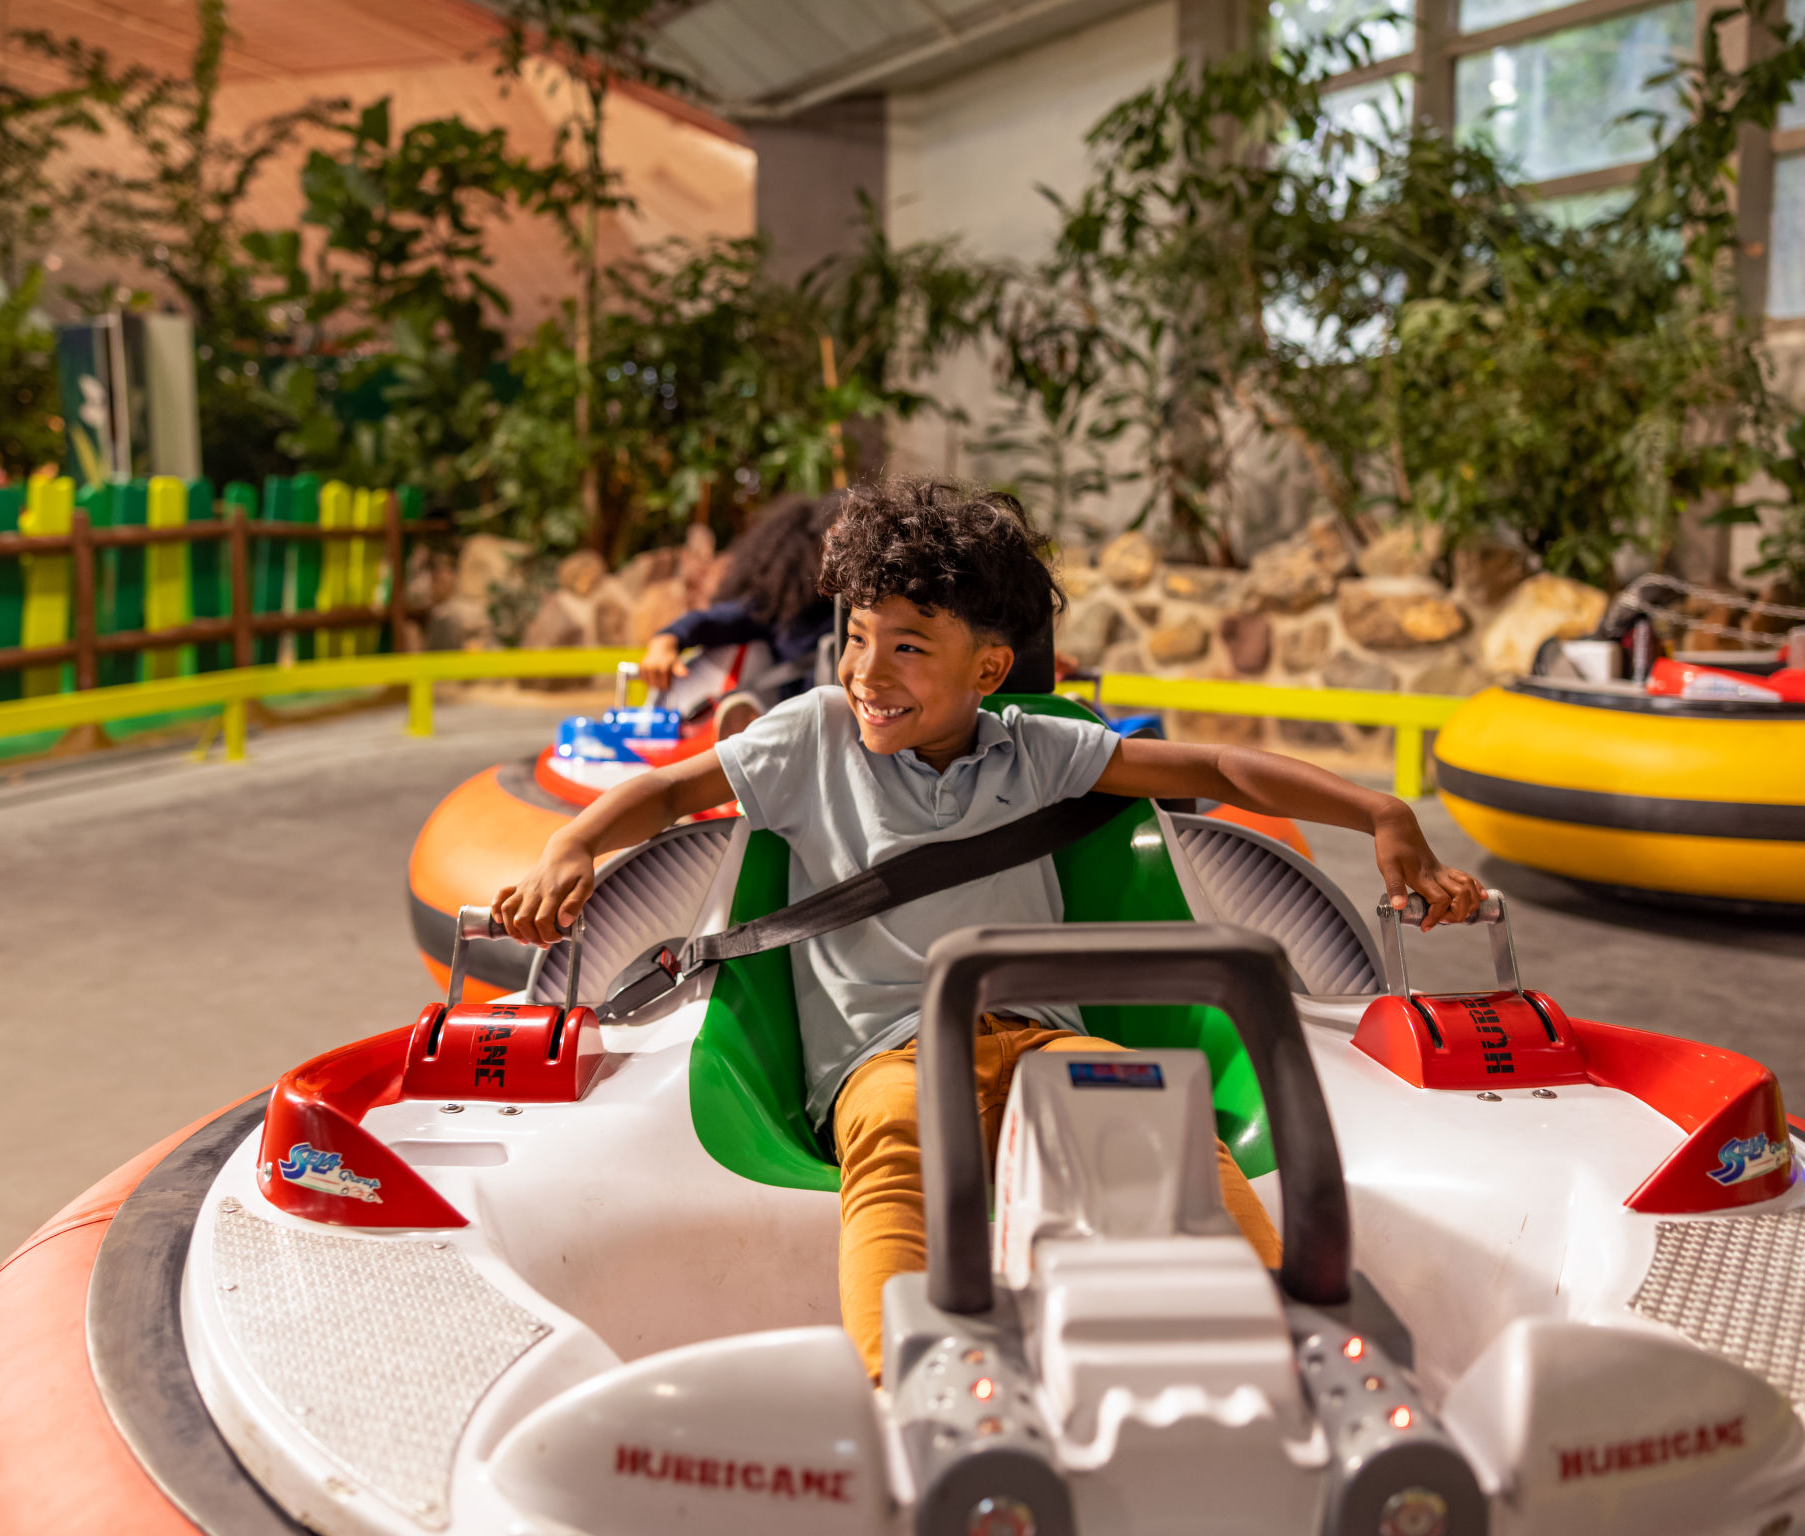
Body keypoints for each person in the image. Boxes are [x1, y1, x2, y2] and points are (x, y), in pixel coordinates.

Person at [497, 477, 1486, 1381]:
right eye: (856, 638)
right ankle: (910, 1387)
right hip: (886, 1057)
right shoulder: (810, 737)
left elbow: (1219, 772)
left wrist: (1384, 818)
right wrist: (572, 846)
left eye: (907, 648)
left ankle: (1286, 1355)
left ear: (990, 667)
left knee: (1153, 1115)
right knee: (894, 1140)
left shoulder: (1032, 751)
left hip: (1042, 1039)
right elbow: (669, 793)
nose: (867, 672)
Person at [638, 493, 840, 735]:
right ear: (807, 550)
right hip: (793, 721)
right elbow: (720, 619)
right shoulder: (785, 607)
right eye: (833, 543)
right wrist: (668, 639)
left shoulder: (873, 607)